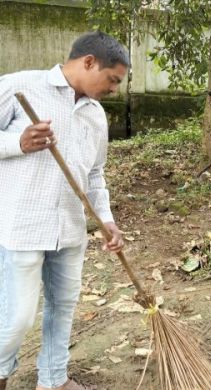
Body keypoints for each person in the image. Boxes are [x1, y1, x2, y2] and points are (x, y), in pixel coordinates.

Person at [0, 31, 127, 390]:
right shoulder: (19, 86)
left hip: (70, 231)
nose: (115, 89)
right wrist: (17, 143)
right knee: (16, 320)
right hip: (21, 227)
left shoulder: (96, 115)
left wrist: (107, 221)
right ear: (89, 62)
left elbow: (96, 174)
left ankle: (53, 380)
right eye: (112, 79)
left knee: (63, 308)